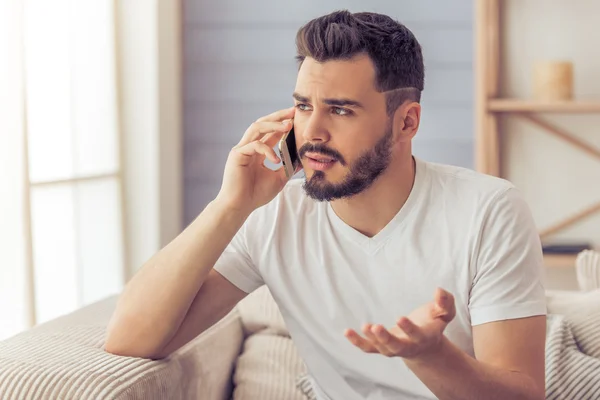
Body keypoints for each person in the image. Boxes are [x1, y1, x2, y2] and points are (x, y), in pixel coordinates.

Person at [105, 10, 546, 400]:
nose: (312, 131)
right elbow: (131, 338)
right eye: (302, 105)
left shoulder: (489, 209)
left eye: (340, 110)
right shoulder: (272, 213)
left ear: (406, 121)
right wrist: (229, 204)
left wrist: (431, 356)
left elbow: (523, 393)